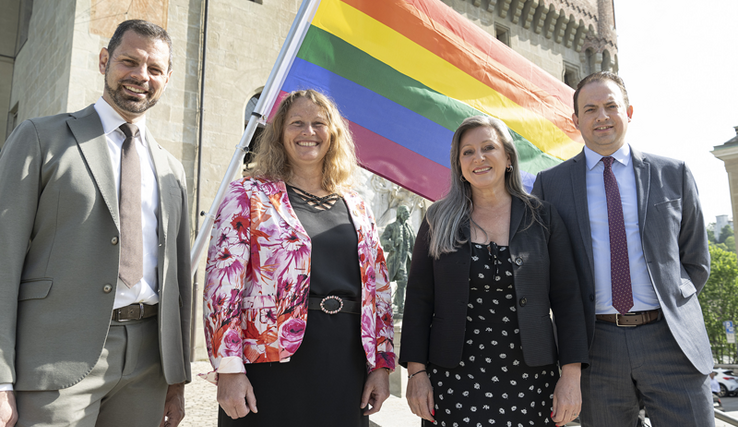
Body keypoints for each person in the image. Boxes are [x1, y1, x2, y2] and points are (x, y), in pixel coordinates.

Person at [0, 19, 191, 427]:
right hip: (55, 358)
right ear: (104, 60)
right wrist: (0, 379)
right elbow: (3, 259)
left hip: (146, 365)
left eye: (155, 69)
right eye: (129, 61)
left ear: (168, 78)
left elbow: (178, 279)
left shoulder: (172, 169)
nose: (142, 76)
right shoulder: (39, 138)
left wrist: (177, 379)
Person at [203, 89, 395, 427]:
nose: (308, 132)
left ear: (333, 134)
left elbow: (379, 292)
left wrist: (380, 366)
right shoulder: (248, 195)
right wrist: (229, 369)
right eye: (297, 123)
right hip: (270, 364)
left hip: (345, 361)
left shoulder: (358, 206)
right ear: (279, 134)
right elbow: (222, 289)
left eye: (318, 123)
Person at [532, 71, 714, 426]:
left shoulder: (673, 173)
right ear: (576, 120)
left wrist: (675, 304)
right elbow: (543, 271)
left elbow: (696, 261)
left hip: (671, 341)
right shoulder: (550, 185)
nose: (602, 117)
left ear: (629, 111)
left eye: (611, 106)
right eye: (590, 109)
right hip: (596, 348)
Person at [400, 115, 589, 427]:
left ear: (508, 157)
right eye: (468, 152)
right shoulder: (437, 219)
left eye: (488, 147)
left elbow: (568, 299)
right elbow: (419, 300)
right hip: (452, 381)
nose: (479, 158)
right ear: (458, 164)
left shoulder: (542, 218)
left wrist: (570, 375)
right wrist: (416, 374)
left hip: (531, 380)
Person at [380, 205, 415, 317]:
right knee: (401, 280)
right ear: (400, 213)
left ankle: (398, 304)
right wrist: (393, 243)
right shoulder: (392, 226)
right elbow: (383, 239)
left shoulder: (410, 228)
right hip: (396, 259)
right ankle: (400, 307)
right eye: (405, 212)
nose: (408, 214)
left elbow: (414, 245)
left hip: (408, 260)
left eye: (408, 212)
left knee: (404, 282)